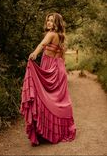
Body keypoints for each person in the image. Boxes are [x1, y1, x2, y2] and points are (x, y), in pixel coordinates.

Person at [20, 13, 76, 146]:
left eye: (52, 21)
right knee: (59, 101)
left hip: (50, 67)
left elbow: (41, 44)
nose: (49, 23)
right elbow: (61, 55)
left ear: (57, 23)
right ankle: (57, 131)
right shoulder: (61, 36)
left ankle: (46, 132)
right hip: (59, 68)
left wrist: (34, 54)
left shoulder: (51, 34)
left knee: (44, 98)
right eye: (48, 20)